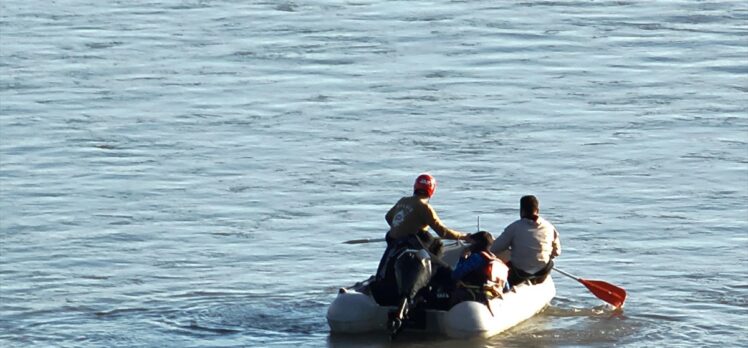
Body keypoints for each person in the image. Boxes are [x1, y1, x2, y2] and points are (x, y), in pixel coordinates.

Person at [372, 173, 471, 305]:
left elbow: (388, 217)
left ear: (415, 187)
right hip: (410, 245)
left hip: (394, 244)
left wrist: (401, 227)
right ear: (432, 191)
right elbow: (442, 231)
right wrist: (464, 236)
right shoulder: (424, 207)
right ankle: (434, 280)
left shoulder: (403, 201)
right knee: (441, 258)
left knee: (428, 238)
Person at [490, 195, 561, 287]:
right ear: (537, 210)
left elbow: (494, 249)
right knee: (549, 261)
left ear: (521, 211)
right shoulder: (549, 227)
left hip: (519, 274)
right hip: (541, 273)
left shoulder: (514, 227)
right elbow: (557, 252)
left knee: (502, 254)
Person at [451, 231, 509, 305]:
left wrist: (462, 258)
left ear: (476, 244)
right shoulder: (496, 261)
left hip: (475, 295)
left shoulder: (476, 258)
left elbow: (455, 275)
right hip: (493, 294)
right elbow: (506, 284)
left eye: (471, 243)